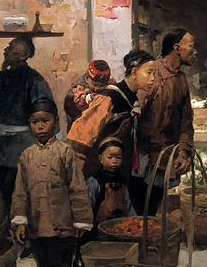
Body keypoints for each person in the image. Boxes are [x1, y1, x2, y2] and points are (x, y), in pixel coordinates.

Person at [10, 97, 93, 267]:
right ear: (29, 124)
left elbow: (77, 188)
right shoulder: (27, 156)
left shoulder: (65, 152)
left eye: (45, 121)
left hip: (61, 227)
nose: (40, 126)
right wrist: (20, 222)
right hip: (37, 229)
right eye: (35, 122)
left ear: (55, 123)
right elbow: (21, 192)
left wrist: (81, 222)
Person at [0, 36, 54, 214]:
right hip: (3, 146)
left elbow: (45, 113)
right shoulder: (7, 76)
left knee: (22, 192)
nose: (6, 51)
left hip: (24, 146)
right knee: (6, 191)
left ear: (25, 55)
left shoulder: (35, 80)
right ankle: (12, 229)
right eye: (8, 49)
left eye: (12, 50)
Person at [133, 28, 197, 216]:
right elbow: (134, 116)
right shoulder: (152, 75)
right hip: (143, 163)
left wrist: (184, 152)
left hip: (166, 161)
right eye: (192, 47)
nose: (196, 52)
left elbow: (186, 121)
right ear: (177, 47)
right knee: (141, 213)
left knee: (158, 212)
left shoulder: (181, 80)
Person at [67, 50, 156, 180]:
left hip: (120, 170)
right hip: (100, 174)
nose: (153, 78)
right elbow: (81, 133)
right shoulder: (109, 97)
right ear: (134, 72)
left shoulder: (133, 99)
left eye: (154, 73)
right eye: (149, 73)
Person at [86, 136, 134, 231]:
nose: (114, 161)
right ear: (101, 159)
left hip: (120, 227)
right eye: (110, 157)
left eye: (118, 157)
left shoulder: (122, 180)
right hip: (98, 228)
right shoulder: (95, 180)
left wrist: (133, 221)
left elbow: (128, 205)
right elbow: (88, 205)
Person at [63, 60, 115, 132]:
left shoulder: (110, 86)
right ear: (87, 78)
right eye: (94, 85)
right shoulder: (76, 91)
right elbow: (72, 112)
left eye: (101, 86)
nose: (97, 89)